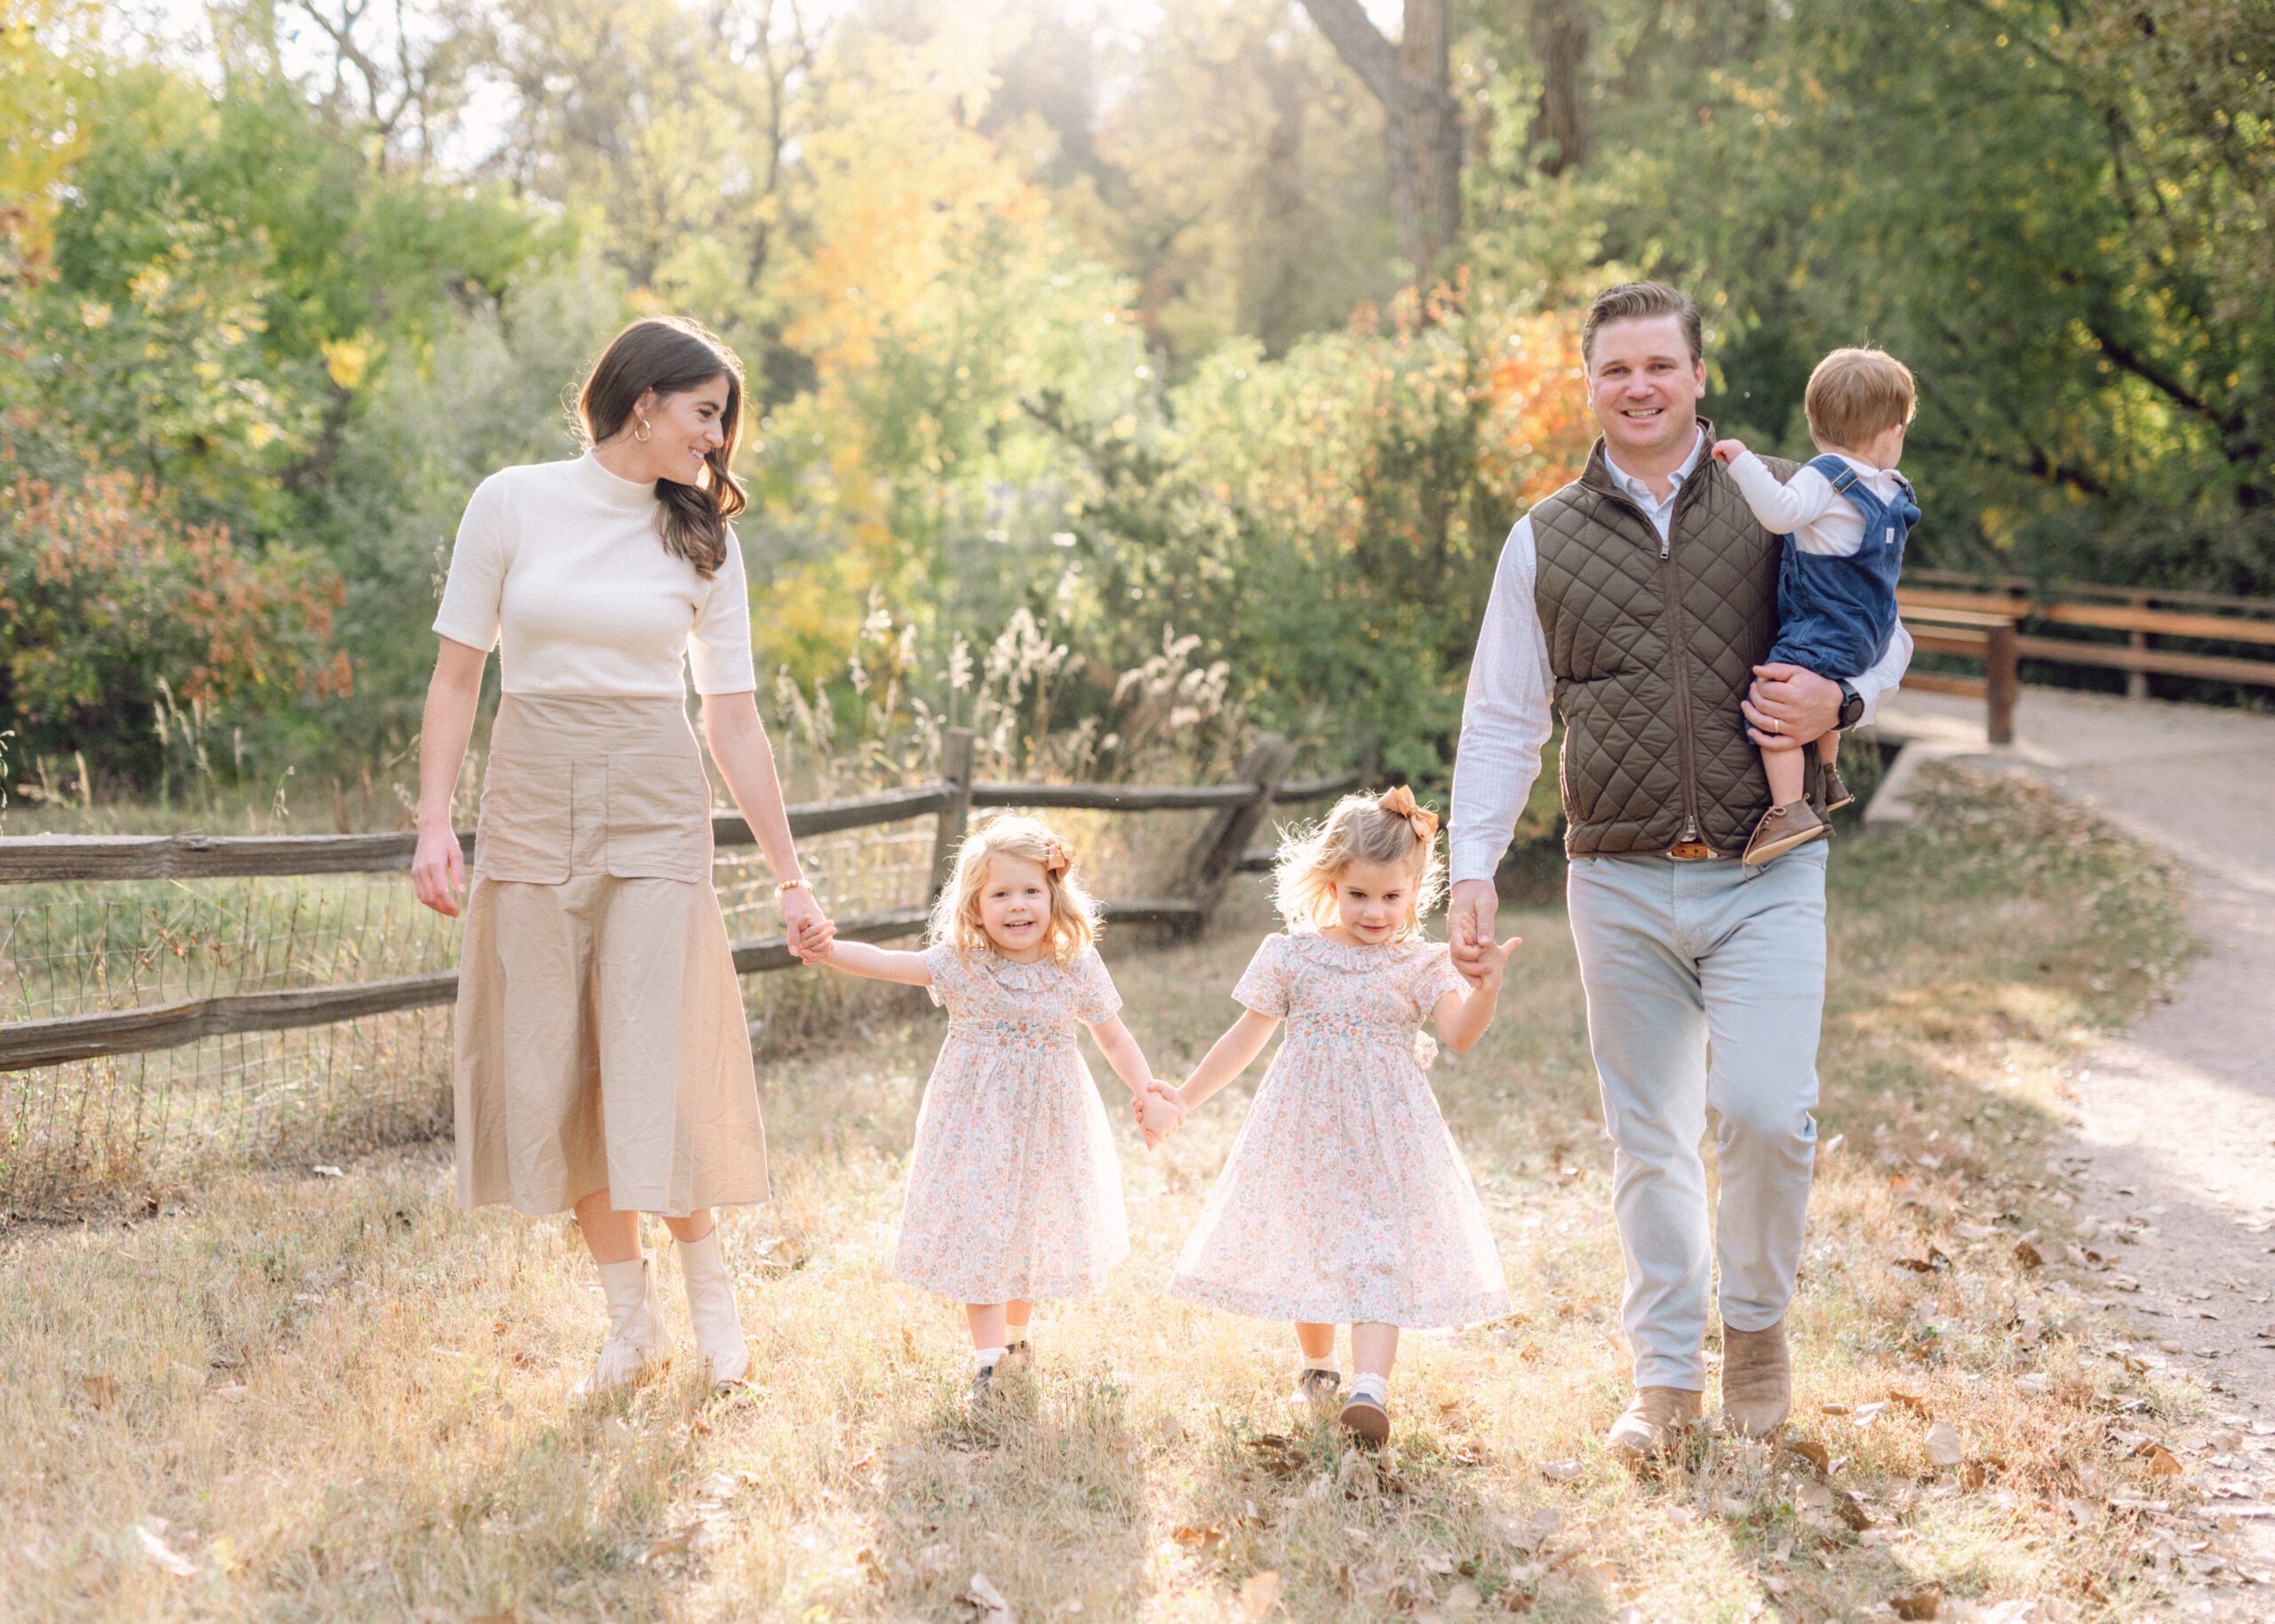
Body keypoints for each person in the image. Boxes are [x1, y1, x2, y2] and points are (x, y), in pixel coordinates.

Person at [1447, 282, 1913, 1460]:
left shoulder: (1782, 501)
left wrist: (1846, 697)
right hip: (1615, 874)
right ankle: (1664, 1385)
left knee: (1765, 1114)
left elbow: (1886, 624)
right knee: (1647, 1136)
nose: (1640, 386)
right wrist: (1472, 866)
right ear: (1591, 384)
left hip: (1768, 867)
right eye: (1617, 369)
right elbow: (1505, 717)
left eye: (1661, 364)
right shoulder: (1542, 537)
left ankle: (1755, 1334)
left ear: (1699, 376)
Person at [411, 315, 834, 1397]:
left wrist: (790, 875)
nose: (717, 438)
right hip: (533, 795)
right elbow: (458, 677)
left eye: (723, 420)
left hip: (653, 801)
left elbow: (732, 720)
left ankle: (711, 1306)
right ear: (643, 401)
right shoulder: (510, 501)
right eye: (706, 412)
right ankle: (627, 1325)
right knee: (564, 1059)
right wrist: (432, 822)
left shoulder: (703, 540)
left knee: (658, 1051)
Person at [1153, 788, 1517, 1446]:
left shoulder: (1422, 963)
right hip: (1304, 1130)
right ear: (1330, 884)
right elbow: (1243, 1040)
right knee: (1313, 1245)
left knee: (1378, 1255)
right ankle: (1319, 1367)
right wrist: (1184, 1097)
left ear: (1416, 891)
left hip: (1390, 1135)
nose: (1375, 912)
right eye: (1358, 896)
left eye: (1391, 897)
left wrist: (1485, 988)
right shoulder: (1293, 955)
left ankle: (1369, 1391)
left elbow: (1459, 1034)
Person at [809, 814, 1172, 1408]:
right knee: (983, 1233)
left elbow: (1113, 1037)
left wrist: (1147, 1091)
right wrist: (828, 950)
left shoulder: (1075, 965)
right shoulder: (961, 965)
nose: (1018, 905)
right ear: (975, 906)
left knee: (1028, 1230)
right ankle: (986, 1365)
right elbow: (884, 961)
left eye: (1031, 891)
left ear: (1054, 896)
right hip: (975, 1124)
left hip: (1051, 1124)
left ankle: (1015, 1345)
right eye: (1000, 894)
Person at [1711, 346, 1921, 865]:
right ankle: (1827, 775)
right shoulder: (1892, 487)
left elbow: (1781, 514)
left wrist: (1743, 462)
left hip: (1824, 623)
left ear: (1814, 423)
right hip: (1873, 632)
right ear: (1892, 432)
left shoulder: (1825, 476)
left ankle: (1788, 808)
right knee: (1824, 693)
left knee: (1777, 694)